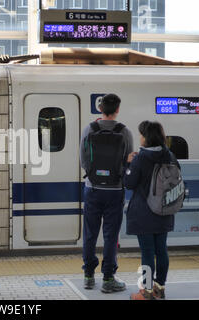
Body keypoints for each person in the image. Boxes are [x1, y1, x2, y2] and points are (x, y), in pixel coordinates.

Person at [79, 93, 133, 293]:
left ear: (100, 109)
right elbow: (128, 161)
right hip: (115, 190)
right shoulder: (124, 132)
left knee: (90, 234)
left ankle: (88, 276)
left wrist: (94, 175)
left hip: (92, 189)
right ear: (117, 109)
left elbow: (83, 160)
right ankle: (108, 278)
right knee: (111, 236)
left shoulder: (89, 129)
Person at [124, 121, 176, 300]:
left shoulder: (141, 158)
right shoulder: (169, 155)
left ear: (146, 138)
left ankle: (145, 292)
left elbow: (129, 183)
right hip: (164, 210)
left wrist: (128, 165)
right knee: (161, 250)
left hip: (145, 213)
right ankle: (159, 288)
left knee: (147, 252)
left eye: (141, 134)